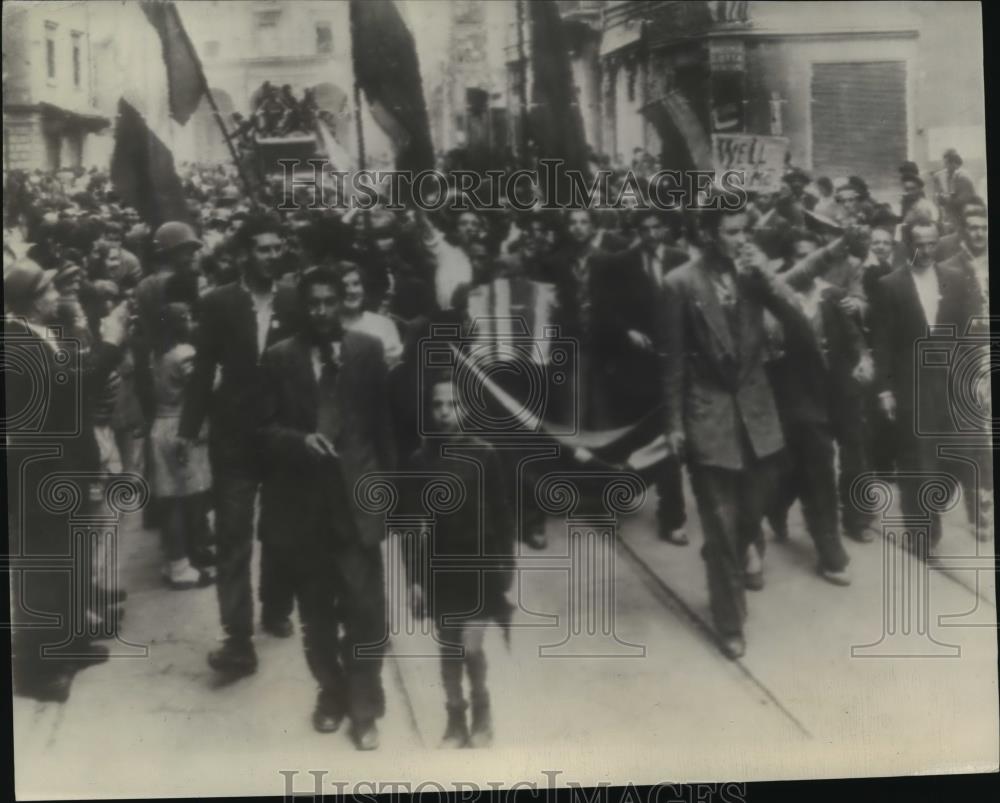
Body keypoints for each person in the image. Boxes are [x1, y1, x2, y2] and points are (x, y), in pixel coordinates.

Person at [257, 265, 394, 750]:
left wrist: (391, 497)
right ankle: (331, 695)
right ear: (302, 307)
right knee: (316, 618)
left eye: (329, 302)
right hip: (305, 510)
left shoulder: (367, 351)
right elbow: (262, 431)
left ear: (343, 303)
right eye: (312, 303)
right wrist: (299, 442)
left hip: (357, 504)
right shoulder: (278, 358)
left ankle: (365, 707)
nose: (320, 312)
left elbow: (384, 429)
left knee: (366, 611)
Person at [661, 208, 807, 659]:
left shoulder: (752, 275)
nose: (739, 239)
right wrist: (674, 424)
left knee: (753, 509)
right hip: (708, 413)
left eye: (744, 231)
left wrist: (764, 273)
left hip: (757, 411)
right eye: (730, 232)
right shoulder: (680, 283)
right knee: (721, 525)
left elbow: (797, 319)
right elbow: (672, 360)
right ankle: (729, 620)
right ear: (707, 234)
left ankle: (725, 557)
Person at [178, 216, 300, 678]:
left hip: (283, 435)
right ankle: (238, 639)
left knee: (281, 529)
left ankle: (275, 605)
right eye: (264, 249)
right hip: (233, 438)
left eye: (278, 248)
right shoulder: (218, 302)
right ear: (245, 252)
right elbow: (204, 367)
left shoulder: (294, 298)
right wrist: (187, 431)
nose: (273, 256)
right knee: (233, 537)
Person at [5, 259, 128, 701]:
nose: (59, 296)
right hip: (41, 476)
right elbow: (73, 385)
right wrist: (112, 343)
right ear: (34, 299)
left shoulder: (40, 334)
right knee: (43, 570)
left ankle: (70, 644)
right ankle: (35, 671)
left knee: (71, 559)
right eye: (51, 290)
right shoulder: (17, 342)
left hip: (63, 470)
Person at [404, 374, 513, 749]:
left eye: (451, 404)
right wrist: (415, 580)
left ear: (464, 408)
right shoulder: (420, 461)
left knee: (471, 646)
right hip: (441, 572)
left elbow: (502, 514)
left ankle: (483, 712)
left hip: (480, 570)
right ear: (429, 411)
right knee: (448, 647)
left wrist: (506, 567)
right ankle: (455, 719)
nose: (444, 412)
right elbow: (413, 526)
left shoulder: (484, 454)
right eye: (437, 405)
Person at [872, 221, 981, 555]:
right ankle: (923, 530)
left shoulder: (954, 279)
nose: (927, 250)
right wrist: (885, 390)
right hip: (912, 383)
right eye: (920, 243)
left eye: (933, 243)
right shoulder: (890, 285)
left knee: (956, 454)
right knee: (917, 460)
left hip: (949, 380)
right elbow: (883, 342)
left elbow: (966, 333)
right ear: (907, 245)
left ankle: (935, 505)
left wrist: (975, 377)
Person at [335, 260, 404, 367]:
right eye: (344, 286)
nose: (352, 291)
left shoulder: (384, 325)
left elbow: (393, 371)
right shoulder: (328, 327)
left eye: (356, 284)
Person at [931, 149, 977, 232]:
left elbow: (964, 200)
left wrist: (947, 199)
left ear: (955, 163)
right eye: (944, 163)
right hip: (951, 218)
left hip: (963, 218)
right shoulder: (946, 175)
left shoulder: (963, 177)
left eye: (947, 163)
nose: (945, 167)